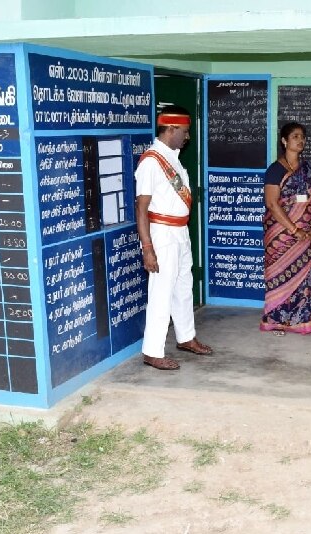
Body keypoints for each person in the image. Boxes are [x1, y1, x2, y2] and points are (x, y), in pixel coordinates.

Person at [135, 106, 212, 370]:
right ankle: (152, 351)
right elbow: (141, 208)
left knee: (182, 285)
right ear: (170, 129)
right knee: (161, 291)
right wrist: (147, 247)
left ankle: (186, 337)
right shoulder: (151, 161)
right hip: (162, 233)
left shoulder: (173, 157)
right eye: (184, 131)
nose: (187, 137)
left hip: (180, 231)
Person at [260, 122, 311, 335]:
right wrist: (294, 230)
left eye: (302, 136)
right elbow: (272, 203)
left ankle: (303, 318)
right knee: (279, 275)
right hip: (281, 235)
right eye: (295, 136)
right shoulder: (275, 170)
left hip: (308, 235)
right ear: (284, 141)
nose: (300, 140)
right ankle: (277, 318)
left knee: (306, 278)